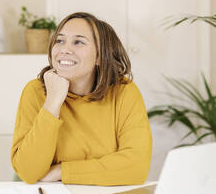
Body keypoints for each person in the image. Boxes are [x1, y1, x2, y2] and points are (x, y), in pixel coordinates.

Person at [10, 12, 152, 185]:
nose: (64, 49)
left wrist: (62, 171)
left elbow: (136, 167)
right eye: (59, 40)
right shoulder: (35, 91)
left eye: (78, 42)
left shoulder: (124, 92)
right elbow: (28, 171)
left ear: (100, 56)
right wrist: (53, 103)